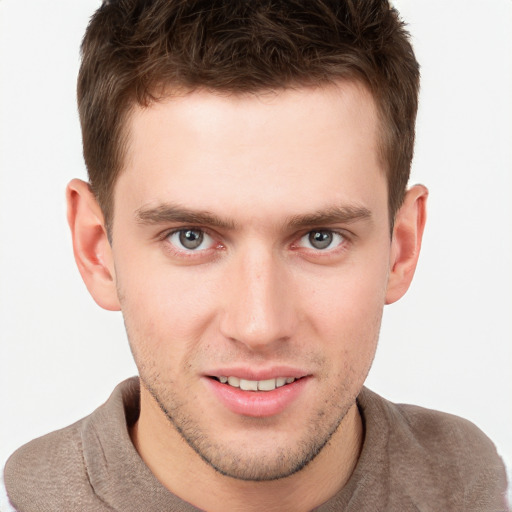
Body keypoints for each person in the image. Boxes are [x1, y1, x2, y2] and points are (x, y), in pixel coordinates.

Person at [2, 0, 508, 510]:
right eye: (191, 237)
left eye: (320, 238)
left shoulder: (477, 491)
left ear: (402, 246)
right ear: (97, 249)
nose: (259, 326)